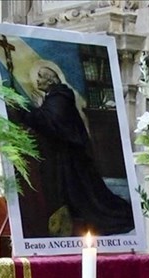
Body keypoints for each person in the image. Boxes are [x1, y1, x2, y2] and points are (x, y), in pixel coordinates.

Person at [14, 62, 134, 237]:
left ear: (51, 80)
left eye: (40, 77)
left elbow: (50, 122)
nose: (37, 81)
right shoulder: (55, 97)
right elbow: (48, 118)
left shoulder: (60, 97)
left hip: (71, 158)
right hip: (64, 154)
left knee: (86, 198)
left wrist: (27, 111)